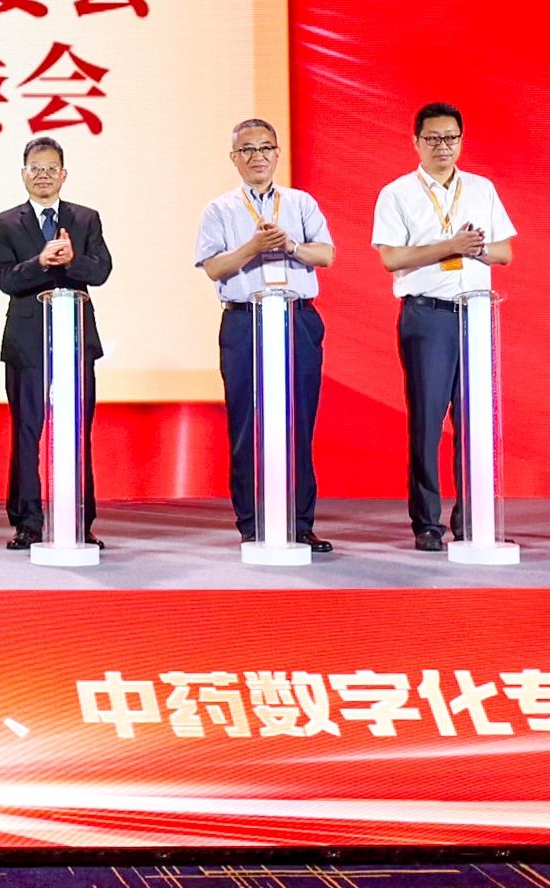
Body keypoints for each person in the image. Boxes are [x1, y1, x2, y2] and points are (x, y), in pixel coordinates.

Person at [371, 100, 518, 551]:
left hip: (476, 313)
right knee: (428, 421)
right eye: (433, 138)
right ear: (416, 142)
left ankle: (472, 519)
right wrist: (449, 246)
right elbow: (392, 257)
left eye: (450, 138)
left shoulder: (481, 188)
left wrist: (474, 249)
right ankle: (427, 523)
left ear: (461, 140)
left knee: (475, 421)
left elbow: (505, 252)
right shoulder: (397, 193)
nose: (443, 146)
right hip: (427, 315)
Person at [194, 118, 336, 552]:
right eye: (248, 150)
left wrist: (290, 246)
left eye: (265, 148)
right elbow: (214, 267)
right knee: (245, 423)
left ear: (277, 153)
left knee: (299, 422)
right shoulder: (219, 209)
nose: (257, 156)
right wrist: (252, 248)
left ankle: (300, 522)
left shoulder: (301, 203)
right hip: (244, 321)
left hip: (297, 318)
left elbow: (326, 255)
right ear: (234, 158)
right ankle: (252, 522)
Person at [0, 137, 113, 550]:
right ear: (24, 174)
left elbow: (101, 271)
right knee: (27, 433)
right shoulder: (5, 223)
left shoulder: (86, 218)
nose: (43, 175)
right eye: (35, 168)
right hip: (27, 343)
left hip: (76, 340)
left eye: (51, 168)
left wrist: (72, 260)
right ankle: (27, 523)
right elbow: (3, 277)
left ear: (63, 174)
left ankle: (79, 520)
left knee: (79, 432)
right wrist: (40, 262)